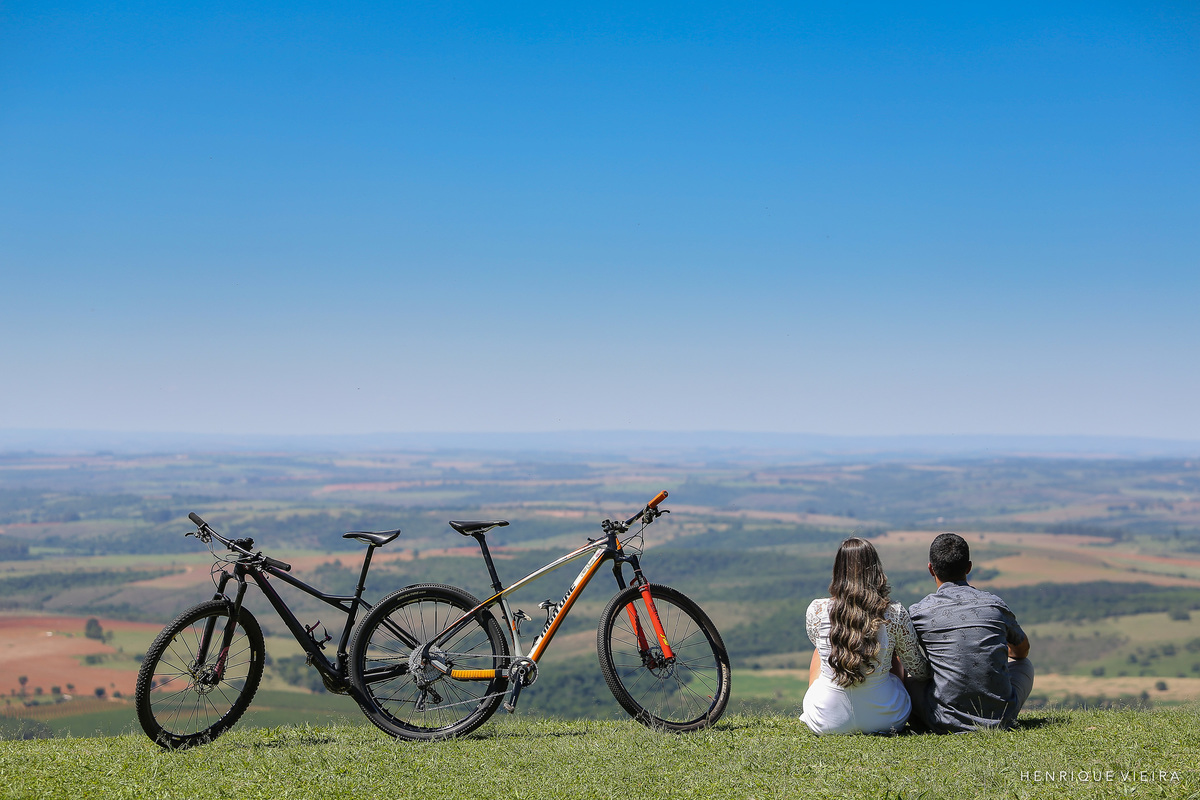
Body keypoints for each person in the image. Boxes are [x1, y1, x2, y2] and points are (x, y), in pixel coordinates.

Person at [905, 532, 1034, 733]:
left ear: (931, 569)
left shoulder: (918, 612)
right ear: (969, 567)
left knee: (904, 676)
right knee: (1025, 664)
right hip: (1000, 719)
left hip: (943, 720)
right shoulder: (994, 605)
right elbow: (1022, 651)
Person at [801, 537, 929, 735]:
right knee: (892, 649)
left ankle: (824, 701)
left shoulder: (817, 610)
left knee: (821, 649)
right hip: (886, 718)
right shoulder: (894, 613)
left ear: (838, 570)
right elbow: (918, 669)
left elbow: (817, 644)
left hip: (827, 720)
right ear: (876, 569)